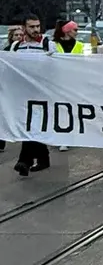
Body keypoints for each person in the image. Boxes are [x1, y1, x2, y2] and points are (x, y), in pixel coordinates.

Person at [11, 14, 56, 176]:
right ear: (24, 28)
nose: (36, 29)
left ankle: (25, 161)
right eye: (32, 27)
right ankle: (43, 159)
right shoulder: (16, 46)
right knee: (30, 126)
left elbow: (58, 68)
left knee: (32, 125)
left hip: (42, 93)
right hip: (23, 94)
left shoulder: (48, 44)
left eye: (37, 26)